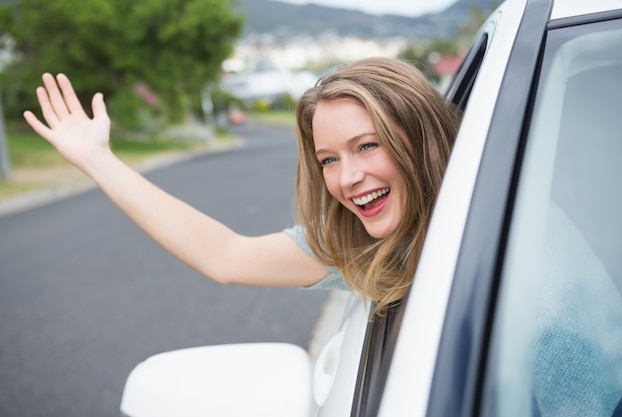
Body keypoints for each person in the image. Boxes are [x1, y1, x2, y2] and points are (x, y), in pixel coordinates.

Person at [23, 57, 460, 316]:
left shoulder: (498, 223)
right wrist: (96, 159)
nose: (346, 179)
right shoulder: (354, 251)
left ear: (423, 136)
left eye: (366, 145)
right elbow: (227, 256)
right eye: (328, 159)